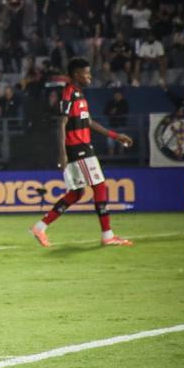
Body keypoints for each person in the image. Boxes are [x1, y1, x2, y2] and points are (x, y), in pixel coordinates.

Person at [30, 58, 135, 248]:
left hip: (79, 148)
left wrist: (115, 135)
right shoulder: (69, 93)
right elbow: (61, 123)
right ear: (77, 74)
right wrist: (62, 153)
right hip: (79, 148)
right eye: (87, 73)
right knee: (100, 187)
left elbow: (88, 122)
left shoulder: (79, 95)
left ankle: (39, 227)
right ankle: (107, 235)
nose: (90, 76)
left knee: (76, 193)